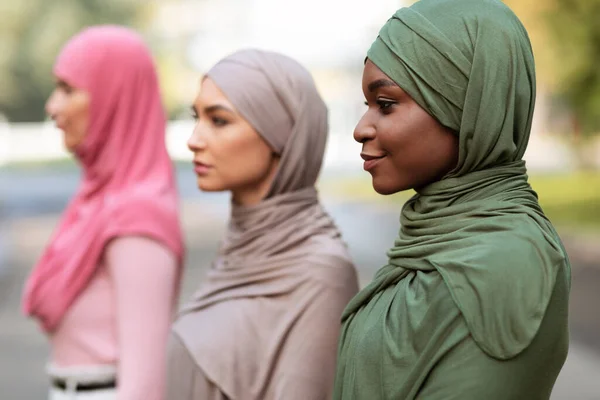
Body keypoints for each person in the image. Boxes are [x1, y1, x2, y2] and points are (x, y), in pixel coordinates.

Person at [333, 0, 571, 398]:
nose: (361, 129)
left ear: (467, 105)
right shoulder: (438, 237)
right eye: (367, 106)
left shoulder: (507, 259)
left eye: (386, 105)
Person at [167, 49, 359, 400]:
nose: (193, 140)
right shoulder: (245, 245)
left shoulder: (320, 271)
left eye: (219, 120)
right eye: (196, 117)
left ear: (280, 136)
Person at [22, 26, 184, 400]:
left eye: (68, 89)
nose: (52, 106)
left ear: (114, 97)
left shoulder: (137, 215)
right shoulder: (95, 201)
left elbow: (145, 385)